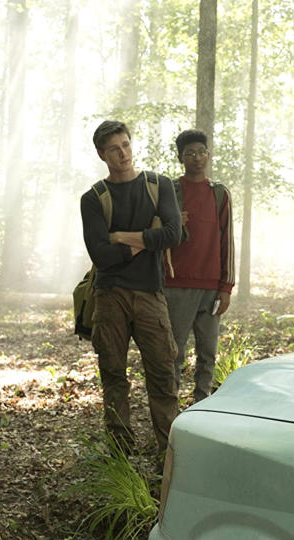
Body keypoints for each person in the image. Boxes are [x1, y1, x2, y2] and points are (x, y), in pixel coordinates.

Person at [80, 120, 182, 453]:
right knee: (113, 375)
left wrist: (125, 237)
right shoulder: (94, 198)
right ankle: (120, 456)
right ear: (101, 154)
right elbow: (100, 255)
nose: (122, 153)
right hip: (110, 295)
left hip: (151, 292)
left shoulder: (158, 185)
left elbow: (173, 235)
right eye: (114, 148)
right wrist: (146, 242)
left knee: (163, 375)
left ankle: (169, 455)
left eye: (125, 145)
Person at [164, 129, 234, 403]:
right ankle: (169, 410)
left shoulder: (220, 194)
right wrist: (172, 223)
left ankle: (202, 404)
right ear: (181, 157)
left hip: (211, 287)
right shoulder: (171, 190)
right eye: (190, 153)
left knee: (208, 352)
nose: (197, 158)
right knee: (174, 353)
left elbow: (227, 240)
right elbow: (153, 233)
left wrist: (226, 287)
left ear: (208, 154)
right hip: (177, 285)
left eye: (201, 152)